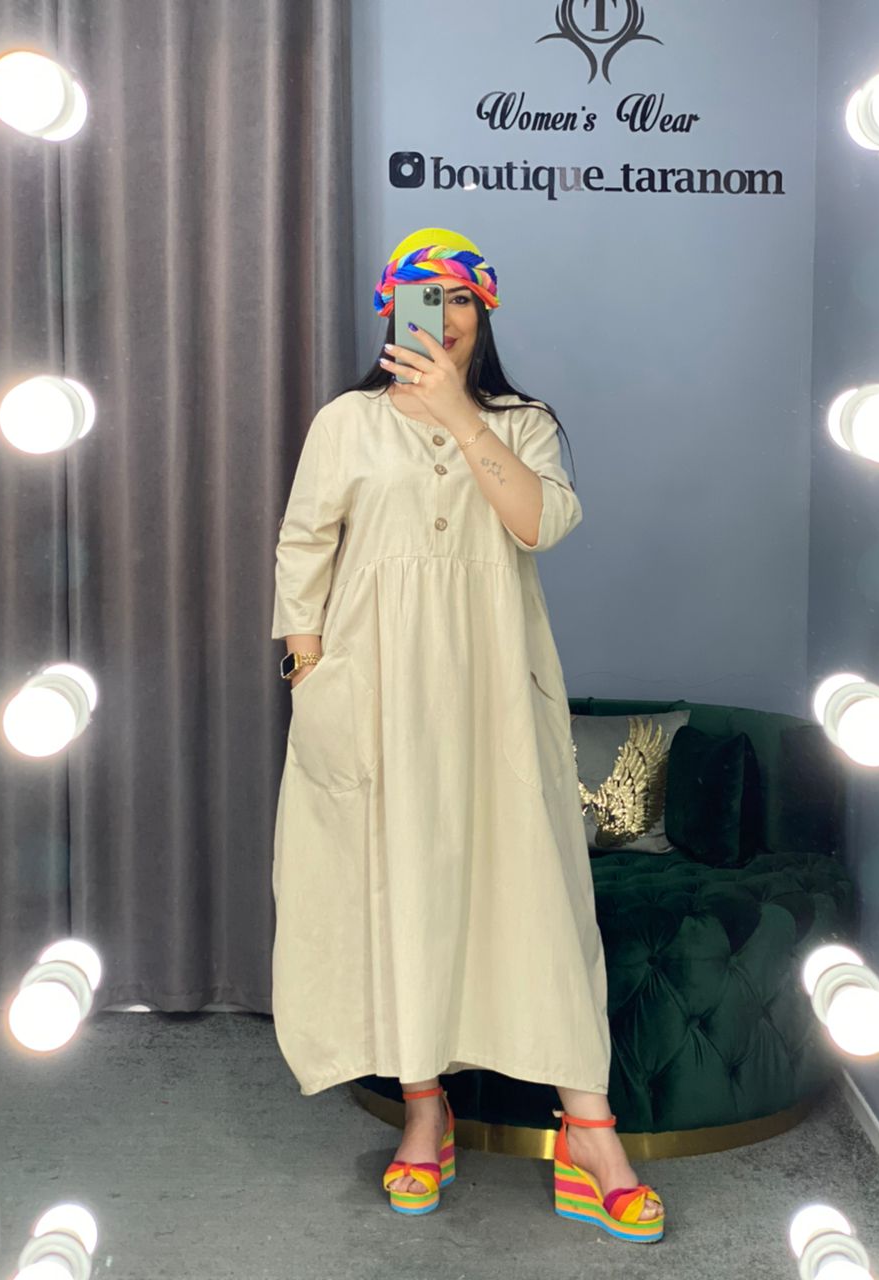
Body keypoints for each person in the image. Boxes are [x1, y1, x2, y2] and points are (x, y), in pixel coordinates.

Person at [270, 226, 665, 1241]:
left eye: (459, 300)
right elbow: (305, 544)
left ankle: (589, 1130)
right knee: (403, 888)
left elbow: (539, 524)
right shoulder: (347, 421)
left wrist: (456, 410)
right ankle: (423, 1108)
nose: (441, 318)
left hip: (495, 689)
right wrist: (309, 672)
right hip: (377, 693)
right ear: (388, 311)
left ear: (484, 314)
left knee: (537, 894)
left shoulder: (524, 423)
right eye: (422, 298)